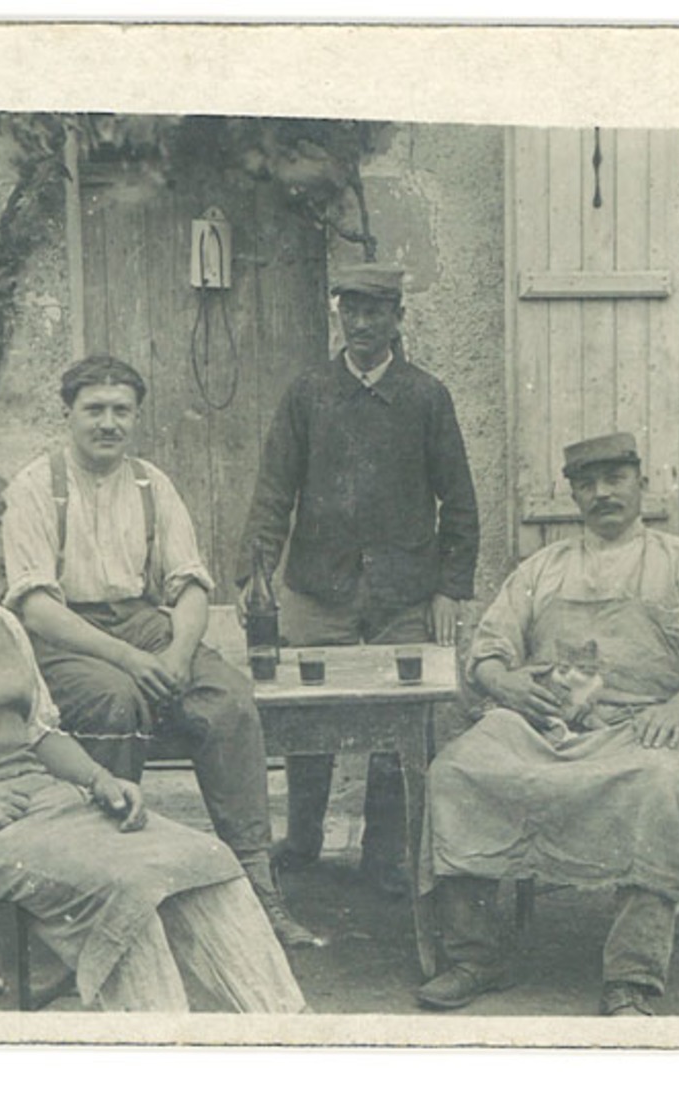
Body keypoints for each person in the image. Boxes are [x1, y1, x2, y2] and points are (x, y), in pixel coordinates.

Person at [0, 460, 307, 1012]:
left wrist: (101, 780)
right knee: (127, 888)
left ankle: (286, 1029)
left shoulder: (1, 621)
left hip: (45, 810)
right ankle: (159, 1051)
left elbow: (40, 732)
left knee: (210, 862)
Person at [416, 432, 679, 1016]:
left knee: (657, 785)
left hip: (641, 725)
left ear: (640, 484)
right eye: (588, 484)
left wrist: (675, 710)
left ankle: (633, 975)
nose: (603, 493)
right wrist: (506, 683)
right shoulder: (541, 568)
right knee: (456, 770)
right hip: (542, 724)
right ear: (572, 494)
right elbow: (487, 654)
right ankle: (477, 956)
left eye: (615, 479)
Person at [0, 356, 320, 949]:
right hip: (65, 634)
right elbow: (36, 607)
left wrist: (178, 653)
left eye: (122, 411)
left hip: (145, 624)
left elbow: (191, 584)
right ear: (67, 413)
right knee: (114, 699)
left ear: (136, 418)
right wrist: (129, 661)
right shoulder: (34, 487)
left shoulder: (152, 483)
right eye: (94, 409)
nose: (108, 424)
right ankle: (106, 887)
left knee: (227, 697)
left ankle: (256, 885)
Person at [236, 263, 480, 898]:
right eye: (352, 311)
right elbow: (273, 490)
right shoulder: (308, 394)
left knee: (396, 729)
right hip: (320, 588)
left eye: (377, 312)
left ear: (398, 318)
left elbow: (458, 500)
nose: (364, 325)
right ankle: (304, 839)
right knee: (303, 715)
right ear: (338, 315)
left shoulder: (427, 397)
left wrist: (450, 589)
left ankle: (385, 856)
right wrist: (254, 571)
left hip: (401, 593)